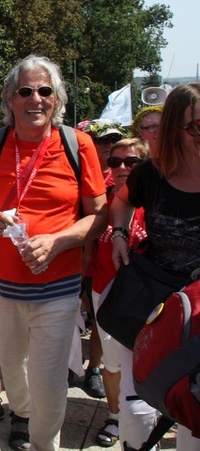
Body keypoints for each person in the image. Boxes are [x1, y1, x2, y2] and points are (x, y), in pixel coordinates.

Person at [0, 54, 107, 451]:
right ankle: (21, 414)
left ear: (57, 99)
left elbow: (99, 215)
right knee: (11, 365)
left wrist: (59, 241)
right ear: (10, 99)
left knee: (49, 378)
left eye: (45, 91)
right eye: (26, 91)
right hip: (1, 287)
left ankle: (45, 443)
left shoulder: (79, 145)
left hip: (58, 288)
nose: (35, 98)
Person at [111, 84, 200, 450]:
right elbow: (121, 203)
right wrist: (118, 233)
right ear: (173, 129)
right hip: (155, 305)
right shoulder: (151, 173)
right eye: (196, 125)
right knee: (141, 403)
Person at [87, 137, 150, 447]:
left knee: (148, 362)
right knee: (112, 363)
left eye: (132, 161)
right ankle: (114, 417)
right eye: (115, 162)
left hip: (152, 298)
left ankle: (147, 419)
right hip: (106, 292)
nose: (122, 168)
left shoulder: (161, 198)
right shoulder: (101, 201)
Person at [80, 121, 127, 401]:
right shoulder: (77, 174)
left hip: (104, 262)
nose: (108, 144)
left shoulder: (121, 177)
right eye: (102, 140)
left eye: (114, 138)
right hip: (74, 258)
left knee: (100, 320)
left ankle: (94, 368)